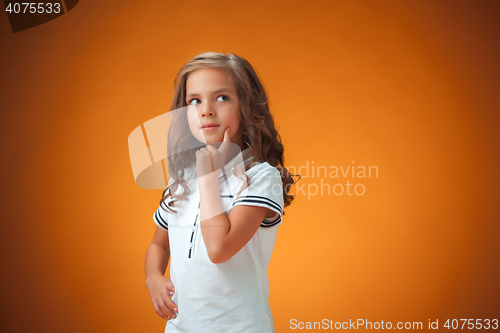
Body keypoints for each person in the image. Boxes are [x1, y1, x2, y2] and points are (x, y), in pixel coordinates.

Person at [144, 52, 298, 333]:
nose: (206, 110)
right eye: (195, 100)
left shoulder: (261, 177)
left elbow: (219, 249)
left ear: (246, 106)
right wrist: (153, 276)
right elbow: (159, 244)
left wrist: (207, 177)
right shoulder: (181, 180)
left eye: (222, 97)